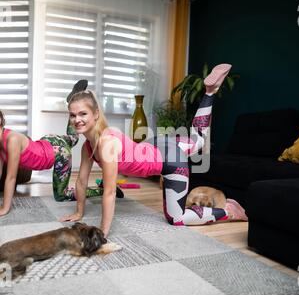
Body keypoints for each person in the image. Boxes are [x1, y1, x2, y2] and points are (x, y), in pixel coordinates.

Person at [61, 64, 248, 237]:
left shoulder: (106, 143)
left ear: (95, 114)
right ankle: (210, 92)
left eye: (83, 113)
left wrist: (103, 231)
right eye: (73, 115)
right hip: (155, 145)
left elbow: (109, 192)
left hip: (169, 160)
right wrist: (79, 211)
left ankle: (228, 211)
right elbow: (81, 181)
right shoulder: (88, 147)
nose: (77, 119)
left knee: (177, 218)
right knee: (197, 139)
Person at [0, 81, 113, 217]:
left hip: (58, 153)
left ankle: (101, 190)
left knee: (62, 195)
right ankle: (73, 98)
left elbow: (11, 177)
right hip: (47, 143)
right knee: (73, 138)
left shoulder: (12, 140)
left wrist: (5, 208)